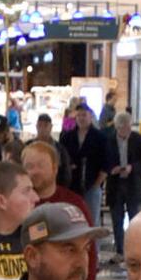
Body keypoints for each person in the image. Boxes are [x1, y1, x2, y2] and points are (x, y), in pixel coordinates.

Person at [21, 140, 100, 280]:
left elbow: (89, 251)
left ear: (54, 168)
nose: (34, 171)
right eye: (29, 166)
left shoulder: (73, 203)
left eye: (41, 165)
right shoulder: (19, 204)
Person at [105, 111, 141, 257]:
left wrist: (132, 168)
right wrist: (112, 169)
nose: (126, 131)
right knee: (117, 220)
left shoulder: (139, 140)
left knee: (134, 219)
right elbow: (103, 161)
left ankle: (135, 250)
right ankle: (120, 250)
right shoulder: (108, 141)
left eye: (128, 127)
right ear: (117, 128)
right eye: (122, 128)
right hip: (115, 185)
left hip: (133, 184)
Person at [59, 100, 108, 234]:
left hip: (92, 185)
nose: (81, 118)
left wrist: (97, 184)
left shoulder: (100, 138)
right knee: (72, 220)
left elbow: (106, 163)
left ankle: (93, 253)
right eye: (79, 115)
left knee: (92, 221)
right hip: (72, 185)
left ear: (90, 117)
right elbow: (62, 158)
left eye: (84, 115)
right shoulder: (67, 137)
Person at [33, 110, 74, 186]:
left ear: (51, 127)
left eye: (45, 125)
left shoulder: (59, 149)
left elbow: (66, 171)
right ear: (36, 126)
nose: (42, 128)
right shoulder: (28, 146)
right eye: (40, 125)